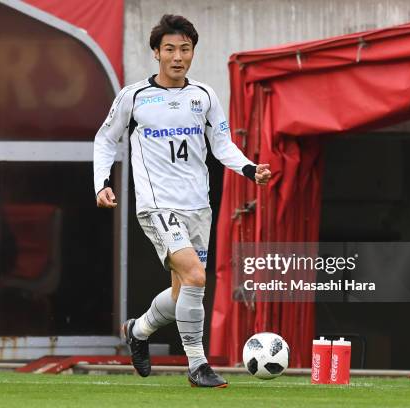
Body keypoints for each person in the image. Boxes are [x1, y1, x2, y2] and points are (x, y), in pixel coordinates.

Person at [93, 15, 271, 387]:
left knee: (182, 293)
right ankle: (197, 365)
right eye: (170, 49)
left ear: (193, 52)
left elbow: (222, 145)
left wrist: (249, 168)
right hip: (157, 205)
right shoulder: (134, 96)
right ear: (156, 53)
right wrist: (101, 183)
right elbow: (106, 139)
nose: (177, 57)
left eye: (185, 49)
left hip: (198, 207)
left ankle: (138, 330)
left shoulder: (204, 96)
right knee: (196, 276)